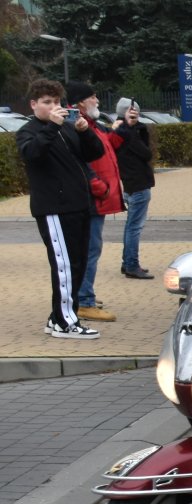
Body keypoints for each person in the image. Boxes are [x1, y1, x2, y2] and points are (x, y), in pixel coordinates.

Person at [16, 78, 105, 339]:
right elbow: (33, 154)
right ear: (34, 105)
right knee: (65, 266)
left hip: (79, 206)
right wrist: (52, 127)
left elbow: (94, 153)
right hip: (54, 209)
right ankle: (66, 321)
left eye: (56, 102)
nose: (53, 107)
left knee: (77, 264)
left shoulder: (67, 129)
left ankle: (59, 317)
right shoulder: (29, 131)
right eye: (47, 102)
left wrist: (84, 131)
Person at [67, 81, 122, 323]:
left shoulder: (91, 124)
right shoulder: (76, 125)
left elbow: (110, 146)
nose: (97, 101)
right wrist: (98, 186)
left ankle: (82, 295)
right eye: (93, 97)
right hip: (91, 198)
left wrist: (127, 127)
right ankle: (84, 302)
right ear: (80, 102)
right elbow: (79, 161)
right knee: (89, 250)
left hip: (97, 197)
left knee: (89, 249)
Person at [112, 97, 155, 280]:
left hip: (130, 184)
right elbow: (145, 153)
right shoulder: (125, 133)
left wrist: (136, 128)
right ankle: (131, 264)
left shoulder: (119, 131)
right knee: (134, 228)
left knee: (131, 226)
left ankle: (127, 262)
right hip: (137, 184)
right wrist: (132, 129)